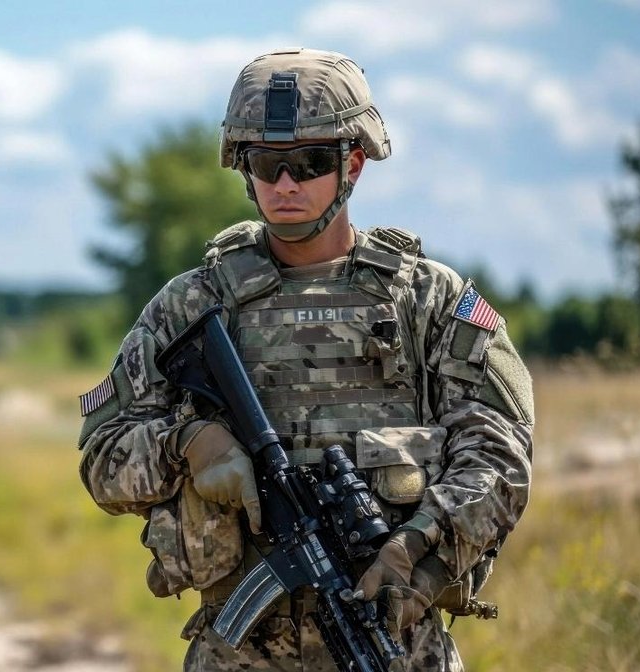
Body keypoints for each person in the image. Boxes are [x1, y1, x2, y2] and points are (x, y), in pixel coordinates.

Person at [77, 48, 534, 671]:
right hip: (239, 653)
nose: (286, 183)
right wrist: (189, 442)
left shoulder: (428, 300)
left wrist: (419, 543)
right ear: (245, 168)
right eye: (268, 163)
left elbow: (500, 457)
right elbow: (103, 457)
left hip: (395, 643)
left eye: (310, 162)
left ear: (352, 165)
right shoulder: (192, 305)